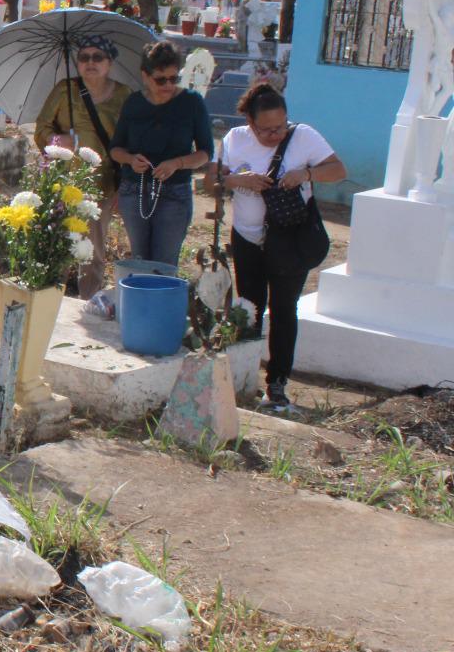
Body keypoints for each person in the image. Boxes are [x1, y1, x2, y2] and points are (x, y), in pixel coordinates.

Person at [207, 82, 346, 412]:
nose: (275, 135)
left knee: (284, 309)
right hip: (248, 238)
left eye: (280, 127)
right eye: (266, 129)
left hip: (290, 239)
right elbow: (211, 180)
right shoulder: (234, 139)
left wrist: (306, 173)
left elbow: (339, 170)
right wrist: (238, 180)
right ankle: (244, 377)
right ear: (250, 122)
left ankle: (277, 382)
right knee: (249, 308)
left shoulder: (304, 137)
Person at [33, 33, 129, 297]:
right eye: (84, 57)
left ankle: (88, 302)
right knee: (57, 246)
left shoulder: (123, 95)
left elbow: (132, 141)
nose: (90, 62)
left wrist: (126, 185)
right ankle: (50, 300)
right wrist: (57, 139)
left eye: (98, 57)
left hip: (103, 185)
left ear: (109, 63)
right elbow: (41, 128)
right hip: (63, 183)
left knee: (93, 251)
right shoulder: (65, 89)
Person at [109, 41, 213, 267]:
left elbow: (206, 152)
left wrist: (178, 163)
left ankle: (161, 303)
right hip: (135, 189)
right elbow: (115, 149)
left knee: (164, 264)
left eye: (173, 79)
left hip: (174, 192)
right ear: (145, 76)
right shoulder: (134, 102)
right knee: (139, 259)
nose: (167, 85)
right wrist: (130, 159)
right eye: (160, 79)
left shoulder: (191, 102)